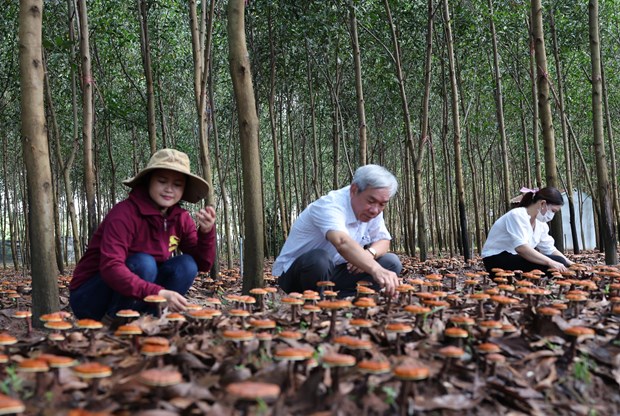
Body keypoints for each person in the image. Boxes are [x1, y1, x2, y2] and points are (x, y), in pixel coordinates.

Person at [69, 148, 216, 320]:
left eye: (177, 184)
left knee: (187, 264)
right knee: (144, 264)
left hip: (139, 292)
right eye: (162, 181)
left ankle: (150, 321)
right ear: (148, 181)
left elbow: (202, 265)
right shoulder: (124, 214)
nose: (169, 189)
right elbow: (111, 267)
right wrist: (158, 292)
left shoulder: (181, 219)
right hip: (90, 297)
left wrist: (206, 232)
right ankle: (117, 321)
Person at [272, 164, 402, 297]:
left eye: (382, 204)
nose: (375, 210)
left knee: (391, 263)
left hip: (336, 271)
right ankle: (315, 305)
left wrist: (369, 254)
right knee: (319, 259)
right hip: (299, 274)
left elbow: (384, 240)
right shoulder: (330, 205)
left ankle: (344, 302)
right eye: (371, 201)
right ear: (354, 190)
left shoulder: (373, 210)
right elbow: (341, 242)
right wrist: (375, 269)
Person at [482, 186, 573, 274]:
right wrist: (550, 262)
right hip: (496, 259)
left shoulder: (541, 224)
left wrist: (571, 264)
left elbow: (549, 249)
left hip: (515, 257)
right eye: (553, 211)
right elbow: (521, 248)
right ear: (542, 203)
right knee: (555, 262)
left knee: (559, 261)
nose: (552, 215)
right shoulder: (517, 215)